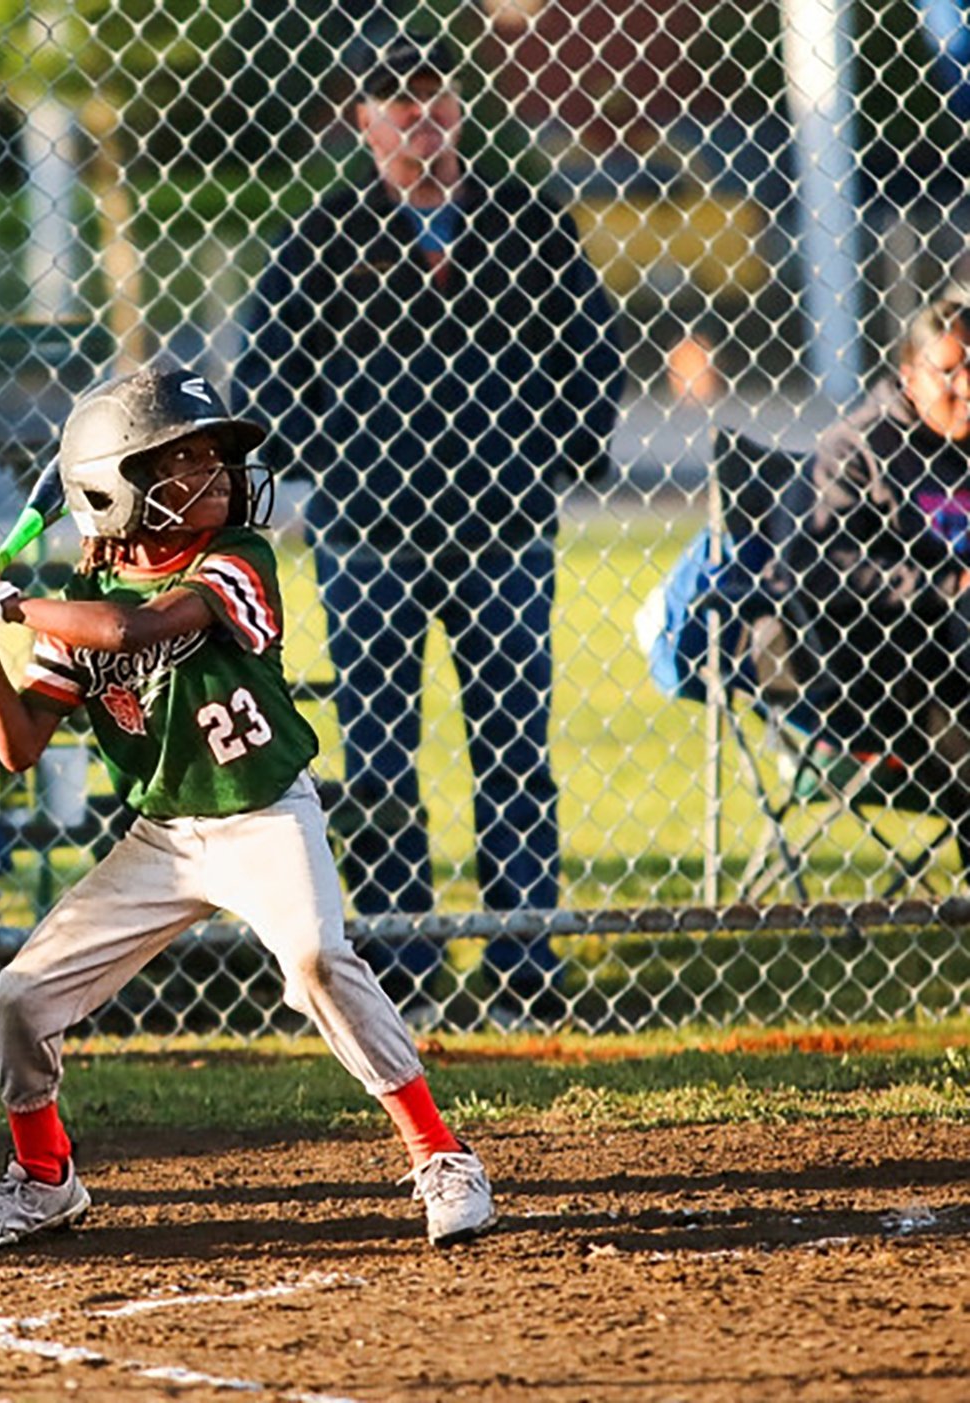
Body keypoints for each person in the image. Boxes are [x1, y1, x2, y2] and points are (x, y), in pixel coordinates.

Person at [0, 364, 496, 1250]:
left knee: (315, 955)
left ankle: (439, 1154)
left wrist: (9, 603)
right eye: (183, 461)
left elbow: (137, 630)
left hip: (265, 810)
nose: (218, 477)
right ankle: (43, 1179)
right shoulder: (75, 606)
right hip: (164, 835)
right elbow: (17, 746)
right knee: (21, 996)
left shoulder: (234, 560)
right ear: (115, 488)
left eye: (215, 459)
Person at [232, 26, 626, 1021]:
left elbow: (593, 356)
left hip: (502, 531)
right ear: (360, 120)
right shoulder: (321, 236)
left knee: (510, 746)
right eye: (393, 101)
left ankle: (522, 966)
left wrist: (544, 456)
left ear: (457, 105)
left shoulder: (526, 223)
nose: (418, 116)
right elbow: (265, 384)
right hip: (370, 538)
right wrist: (350, 457)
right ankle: (402, 964)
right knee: (378, 756)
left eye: (432, 95)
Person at [770, 286, 970, 859]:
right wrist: (944, 587)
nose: (967, 387)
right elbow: (818, 566)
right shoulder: (858, 448)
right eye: (948, 372)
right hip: (881, 660)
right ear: (909, 376)